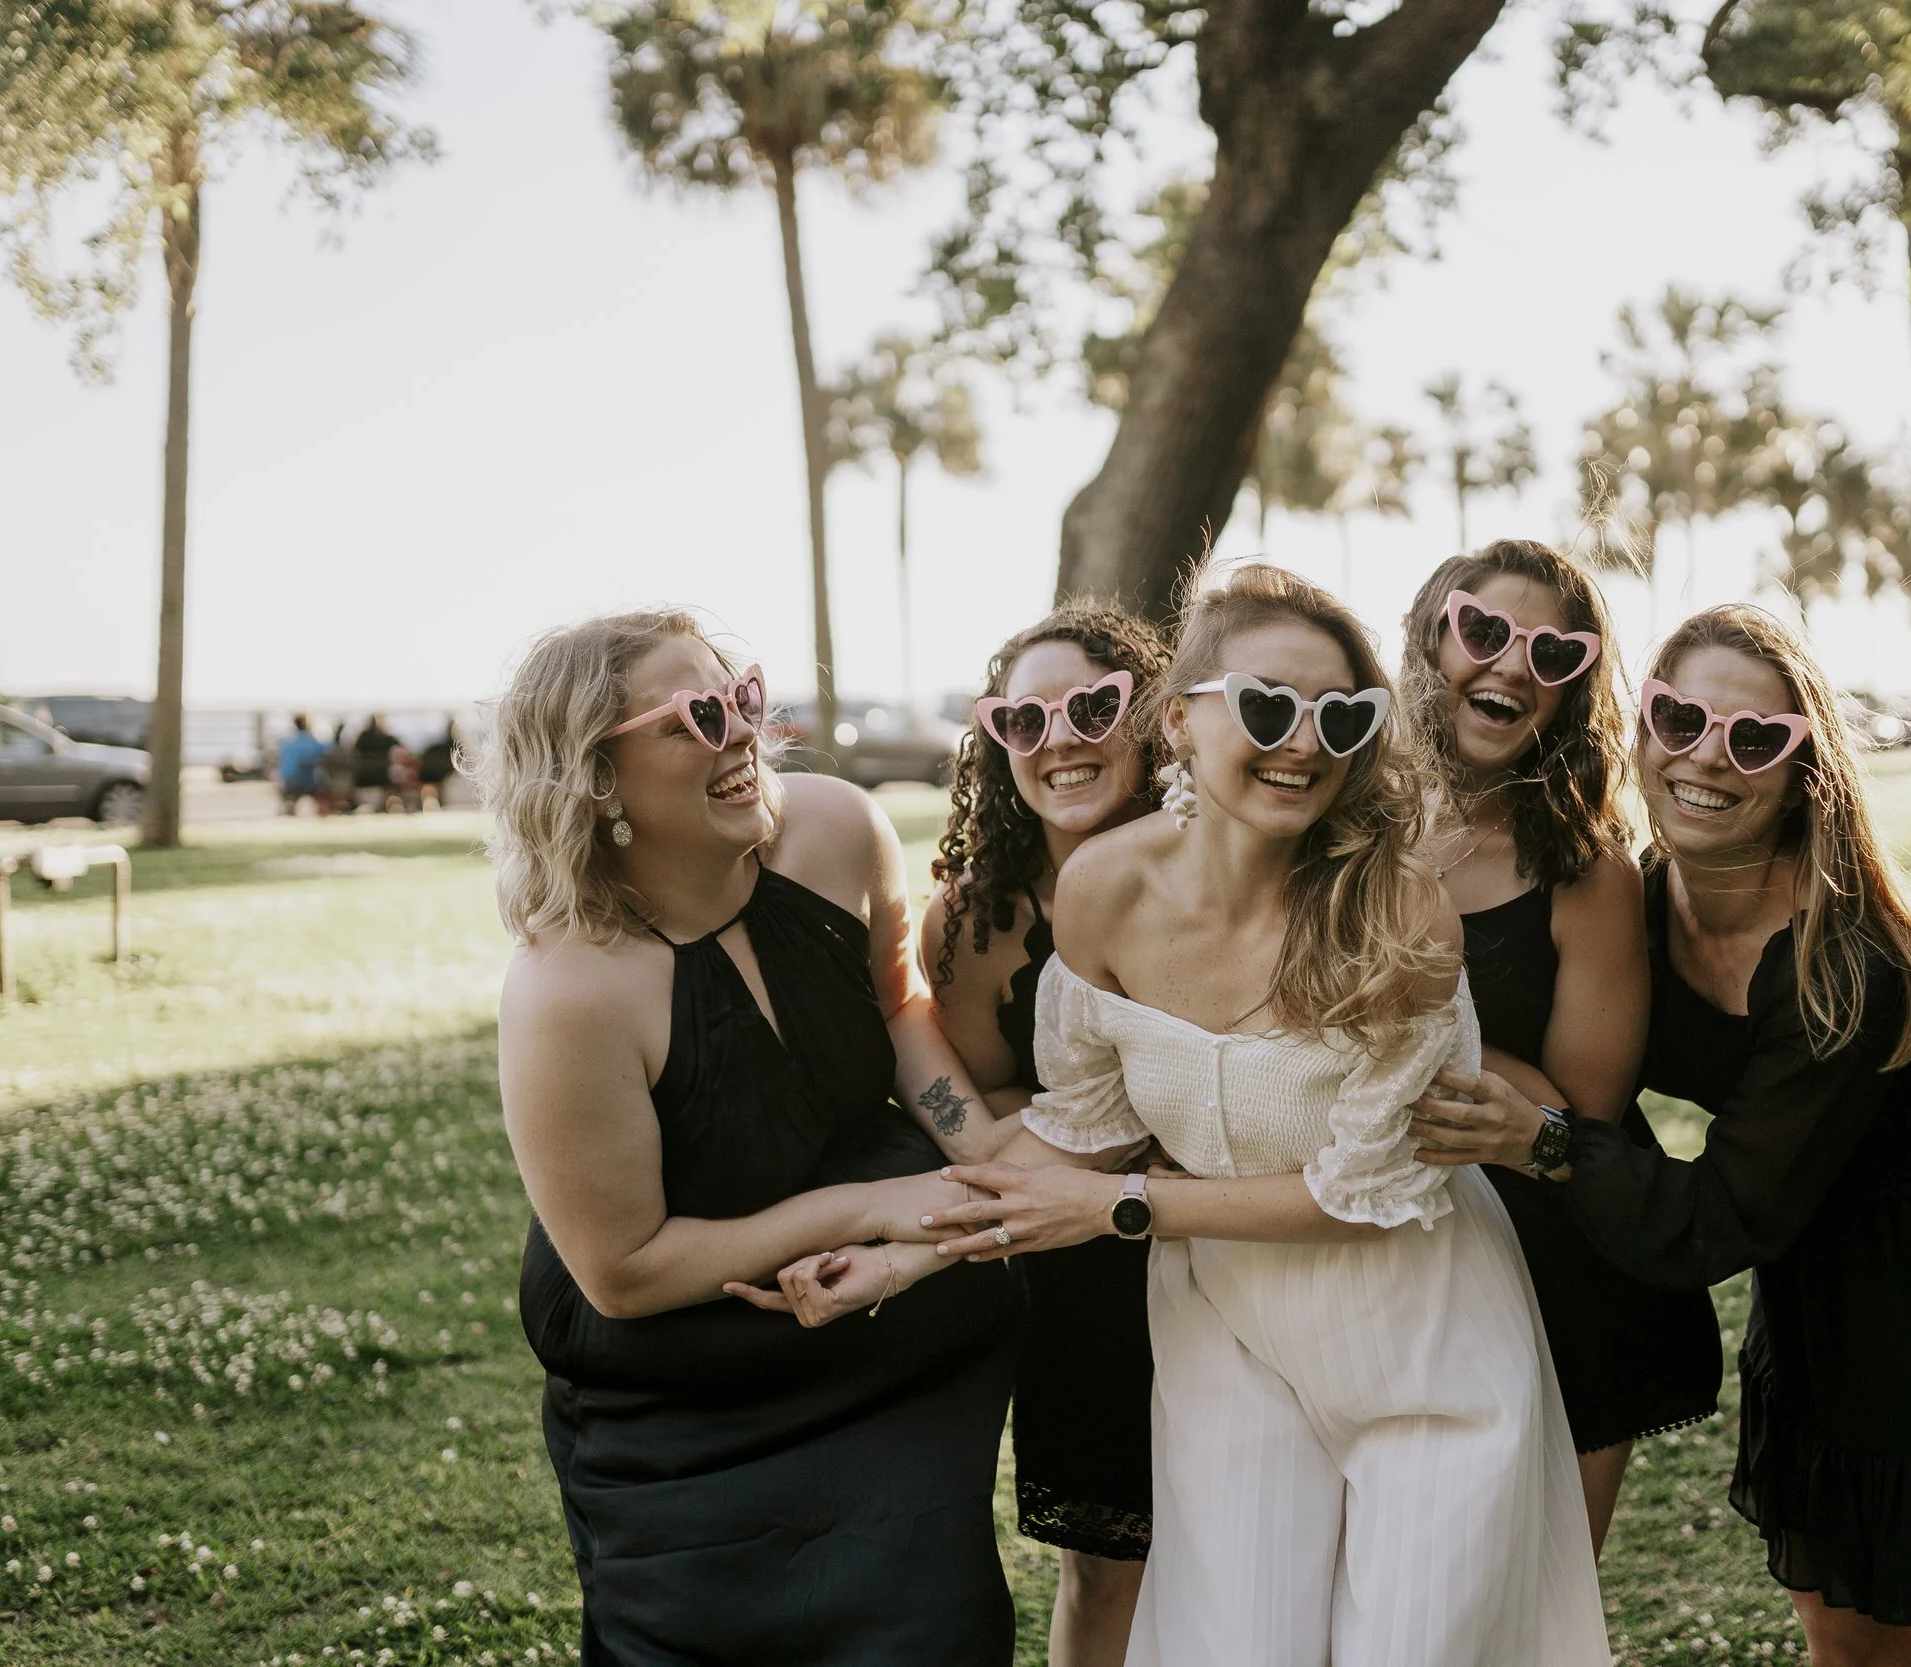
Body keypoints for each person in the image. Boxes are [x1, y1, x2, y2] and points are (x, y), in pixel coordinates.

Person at [802, 565, 1610, 1666]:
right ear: (1179, 719)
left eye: (1342, 715)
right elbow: (1076, 1127)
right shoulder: (1103, 889)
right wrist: (906, 1257)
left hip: (1422, 1342)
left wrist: (1119, 1207)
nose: (1307, 741)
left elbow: (1357, 1195)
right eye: (1271, 705)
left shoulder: (1399, 911)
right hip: (1225, 1333)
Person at [1420, 604, 1911, 1665]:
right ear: (1638, 722)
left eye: (1752, 738)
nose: (1705, 757)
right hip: (1816, 1298)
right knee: (1848, 1641)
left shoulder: (1843, 969)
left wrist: (1544, 1142)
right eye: (1678, 716)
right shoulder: (1640, 898)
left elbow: (1715, 1217)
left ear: (1802, 770)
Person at [472, 609, 1023, 1666]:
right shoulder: (569, 988)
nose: (744, 737)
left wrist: (977, 1146)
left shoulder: (832, 829)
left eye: (747, 698)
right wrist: (867, 1204)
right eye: (699, 715)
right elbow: (623, 1272)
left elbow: (897, 1002)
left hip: (886, 1362)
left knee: (935, 1633)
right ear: (594, 776)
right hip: (686, 1403)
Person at [1398, 541, 1723, 1553]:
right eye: (1485, 631)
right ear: (1429, 639)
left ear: (1572, 691)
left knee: (1538, 1608)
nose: (1509, 667)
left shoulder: (1584, 869)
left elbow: (1574, 1109)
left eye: (1552, 653)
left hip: (1565, 1273)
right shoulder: (1336, 823)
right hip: (1382, 1257)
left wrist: (1379, 1020)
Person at [922, 605, 1172, 1666]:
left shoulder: (1231, 868)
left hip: (1250, 1245)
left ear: (1152, 713)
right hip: (1086, 1277)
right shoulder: (972, 922)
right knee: (1106, 1570)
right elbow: (973, 1122)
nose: (1058, 736)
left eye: (1092, 705)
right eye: (1023, 717)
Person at [275, 714, 327, 816]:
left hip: (290, 782)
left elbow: (283, 766)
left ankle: (288, 809)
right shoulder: (313, 743)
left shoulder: (287, 743)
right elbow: (327, 751)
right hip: (309, 783)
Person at [352, 713, 400, 809]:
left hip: (364, 777)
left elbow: (354, 753)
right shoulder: (386, 738)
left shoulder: (363, 737)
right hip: (380, 777)